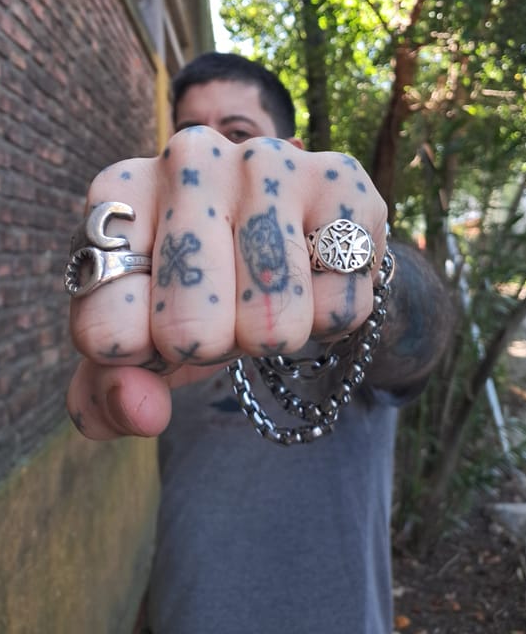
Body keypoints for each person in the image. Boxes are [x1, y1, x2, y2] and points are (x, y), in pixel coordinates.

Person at [66, 53, 452, 634]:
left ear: (291, 156)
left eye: (237, 134)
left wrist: (369, 279)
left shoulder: (347, 324)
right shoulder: (158, 323)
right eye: (189, 135)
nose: (209, 155)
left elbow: (422, 326)